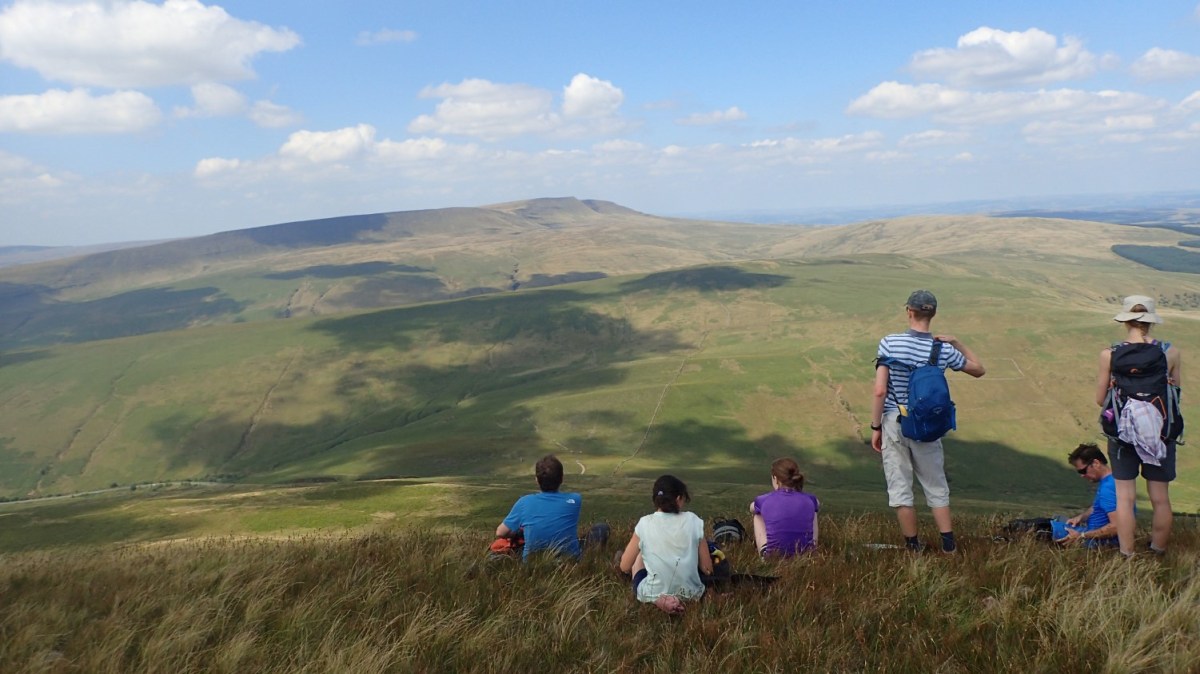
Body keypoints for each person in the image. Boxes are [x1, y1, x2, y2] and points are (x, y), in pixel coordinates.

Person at [870, 289, 986, 553]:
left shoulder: (889, 343)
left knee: (900, 486)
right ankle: (948, 546)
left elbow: (879, 390)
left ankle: (913, 547)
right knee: (936, 485)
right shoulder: (942, 349)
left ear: (909, 311)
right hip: (927, 426)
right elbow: (979, 370)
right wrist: (957, 342)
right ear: (932, 314)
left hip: (894, 420)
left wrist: (875, 426)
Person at [1095, 295, 1181, 556]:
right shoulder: (1170, 352)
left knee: (1125, 497)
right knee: (1160, 498)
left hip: (1122, 434)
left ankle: (1127, 553)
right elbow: (1175, 391)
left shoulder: (1109, 354)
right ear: (1150, 322)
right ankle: (1158, 550)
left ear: (1125, 321)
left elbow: (1100, 399)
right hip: (1159, 433)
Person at [618, 475, 712, 615]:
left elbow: (624, 566)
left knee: (640, 552)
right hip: (692, 593)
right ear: (679, 498)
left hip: (652, 591)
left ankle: (657, 598)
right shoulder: (694, 521)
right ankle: (670, 597)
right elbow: (707, 569)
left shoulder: (644, 523)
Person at [495, 454, 582, 561]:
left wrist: (517, 533)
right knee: (601, 528)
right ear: (562, 479)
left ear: (536, 480)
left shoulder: (524, 502)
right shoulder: (576, 499)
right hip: (570, 561)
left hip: (533, 563)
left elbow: (500, 532)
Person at [749, 457, 819, 556]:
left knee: (757, 514)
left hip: (773, 557)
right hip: (805, 557)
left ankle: (763, 553)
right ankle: (812, 549)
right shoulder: (810, 499)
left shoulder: (763, 500)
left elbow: (752, 508)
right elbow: (817, 503)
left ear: (775, 479)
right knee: (814, 509)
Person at [1053, 443, 1119, 547]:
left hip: (1096, 542)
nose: (1082, 475)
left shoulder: (1108, 488)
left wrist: (1082, 535)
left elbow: (1117, 526)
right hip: (1090, 534)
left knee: (1039, 528)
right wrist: (1081, 517)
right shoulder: (1112, 480)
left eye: (1083, 471)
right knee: (1055, 520)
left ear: (1096, 463)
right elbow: (1101, 505)